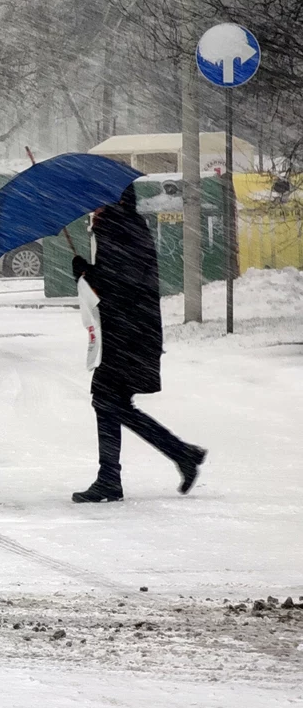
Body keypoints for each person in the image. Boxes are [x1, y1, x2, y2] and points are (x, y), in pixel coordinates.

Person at [70, 185, 207, 503]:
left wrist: (87, 273)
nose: (92, 208)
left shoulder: (116, 227)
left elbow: (120, 283)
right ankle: (178, 455)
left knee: (107, 402)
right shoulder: (127, 224)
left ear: (111, 200)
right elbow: (123, 278)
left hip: (128, 334)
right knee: (111, 403)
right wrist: (90, 272)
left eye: (96, 201)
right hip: (133, 332)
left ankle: (117, 477)